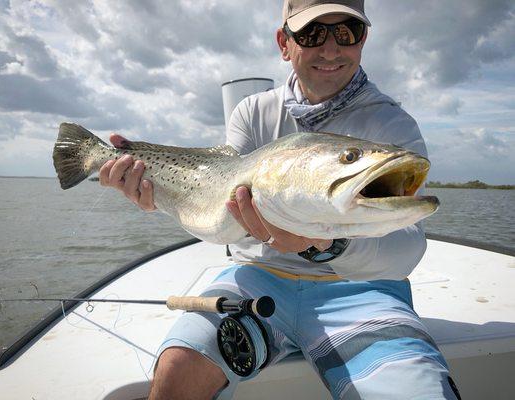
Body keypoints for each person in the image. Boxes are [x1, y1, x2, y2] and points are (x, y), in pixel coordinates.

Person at [100, 1, 461, 399]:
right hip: (257, 280)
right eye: (311, 34)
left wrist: (321, 244)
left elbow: (406, 251)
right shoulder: (252, 112)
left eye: (346, 33)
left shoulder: (392, 126)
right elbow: (218, 211)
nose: (330, 49)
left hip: (364, 291)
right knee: (177, 372)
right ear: (284, 43)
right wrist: (159, 198)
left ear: (363, 40)